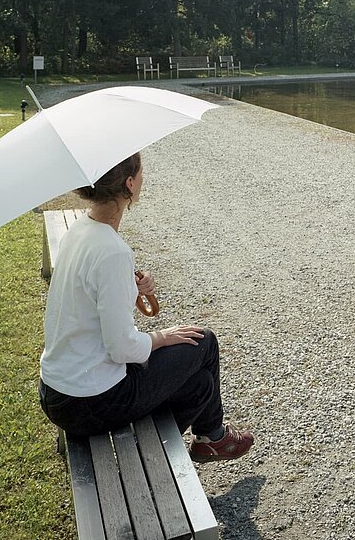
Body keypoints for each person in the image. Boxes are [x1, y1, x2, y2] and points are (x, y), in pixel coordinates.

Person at [38, 152, 253, 462]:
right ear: (128, 183)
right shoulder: (111, 251)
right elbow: (122, 348)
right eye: (140, 174)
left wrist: (130, 286)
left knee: (200, 383)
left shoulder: (82, 231)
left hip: (58, 389)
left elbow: (93, 299)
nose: (142, 179)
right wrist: (161, 337)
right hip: (89, 402)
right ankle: (205, 440)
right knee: (204, 342)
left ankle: (210, 437)